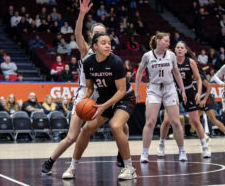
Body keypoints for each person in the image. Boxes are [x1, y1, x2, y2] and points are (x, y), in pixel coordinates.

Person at [41, 0, 127, 176]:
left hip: (104, 94)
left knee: (122, 126)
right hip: (85, 94)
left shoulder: (109, 55)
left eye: (102, 34)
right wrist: (81, 14)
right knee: (72, 136)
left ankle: (122, 155)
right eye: (96, 34)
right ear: (91, 37)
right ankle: (50, 161)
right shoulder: (85, 50)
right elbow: (77, 34)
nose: (100, 37)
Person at [62, 33, 137, 180]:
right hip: (105, 99)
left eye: (109, 43)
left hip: (125, 98)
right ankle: (73, 166)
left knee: (115, 126)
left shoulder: (115, 62)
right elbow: (89, 89)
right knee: (86, 130)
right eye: (103, 43)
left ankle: (129, 167)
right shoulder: (89, 63)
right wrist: (81, 101)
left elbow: (121, 90)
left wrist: (103, 106)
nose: (108, 45)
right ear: (94, 46)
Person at [135, 32, 188, 162]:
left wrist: (182, 90)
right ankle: (145, 153)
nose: (168, 44)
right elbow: (139, 73)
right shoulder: (147, 56)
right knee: (150, 121)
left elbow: (176, 73)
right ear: (158, 41)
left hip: (169, 88)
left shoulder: (171, 55)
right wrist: (137, 91)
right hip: (154, 88)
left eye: (169, 42)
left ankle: (181, 151)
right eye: (166, 41)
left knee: (175, 121)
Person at [158, 41, 211, 159]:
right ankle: (161, 144)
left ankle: (205, 147)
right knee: (167, 121)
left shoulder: (190, 62)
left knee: (196, 121)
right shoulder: (170, 61)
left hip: (188, 90)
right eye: (178, 47)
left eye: (182, 47)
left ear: (186, 50)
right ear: (175, 50)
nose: (180, 49)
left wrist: (198, 92)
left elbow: (198, 78)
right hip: (173, 91)